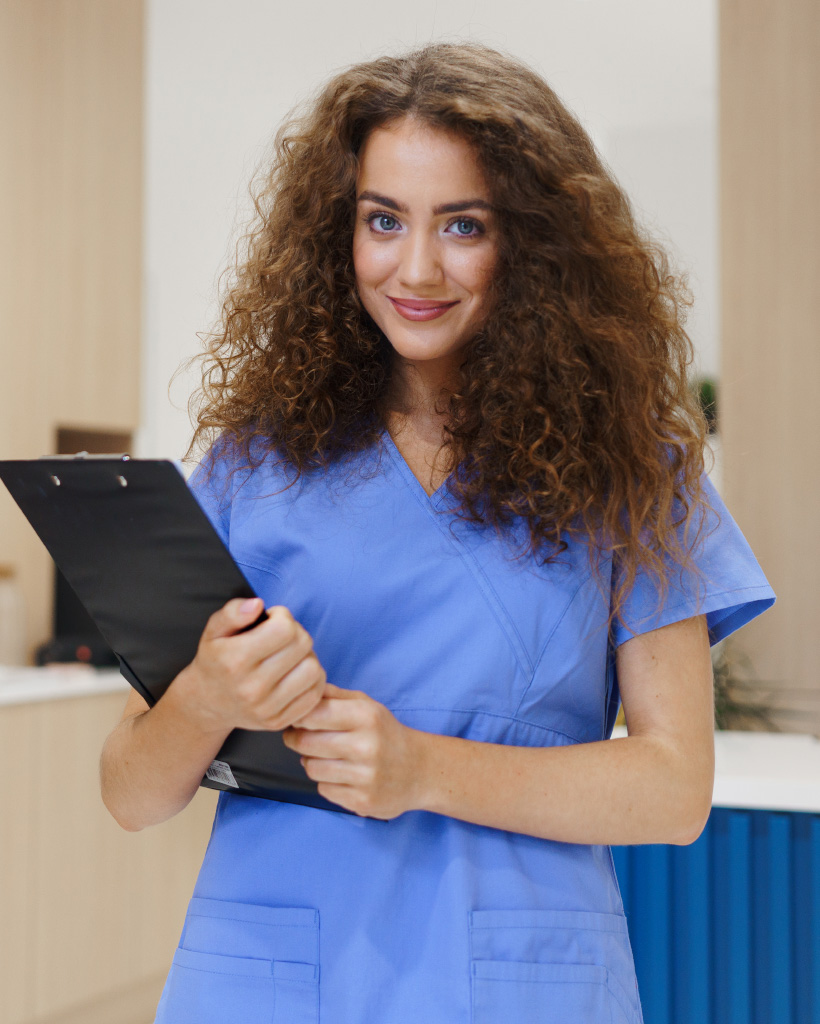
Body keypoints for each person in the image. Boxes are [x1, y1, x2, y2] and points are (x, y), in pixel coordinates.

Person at [100, 42, 776, 1024]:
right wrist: (206, 693)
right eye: (383, 221)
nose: (415, 268)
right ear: (339, 234)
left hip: (519, 980)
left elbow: (674, 790)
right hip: (272, 977)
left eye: (463, 225)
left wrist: (421, 769)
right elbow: (130, 790)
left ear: (535, 244)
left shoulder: (634, 472)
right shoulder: (255, 463)